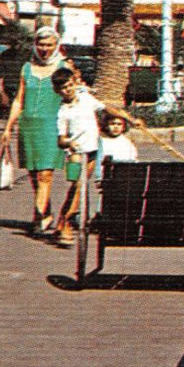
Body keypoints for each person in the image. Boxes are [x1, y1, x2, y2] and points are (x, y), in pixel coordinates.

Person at [52, 65, 138, 244]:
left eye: (69, 86)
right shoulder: (63, 112)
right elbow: (60, 141)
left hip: (92, 151)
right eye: (63, 89)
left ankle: (62, 221)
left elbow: (107, 108)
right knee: (77, 187)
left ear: (74, 83)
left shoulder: (86, 98)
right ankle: (66, 224)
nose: (67, 90)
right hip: (76, 153)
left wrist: (130, 119)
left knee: (78, 189)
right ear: (57, 91)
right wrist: (69, 142)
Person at [0, 27, 68, 236]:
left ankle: (39, 216)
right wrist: (8, 126)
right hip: (28, 126)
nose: (45, 49)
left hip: (51, 126)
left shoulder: (63, 67)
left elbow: (72, 95)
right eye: (41, 44)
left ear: (56, 45)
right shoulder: (27, 68)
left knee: (45, 174)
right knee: (33, 174)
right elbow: (19, 99)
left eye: (49, 45)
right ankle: (45, 212)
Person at [96, 111, 139, 180]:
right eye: (112, 124)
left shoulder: (127, 142)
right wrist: (99, 178)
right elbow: (98, 162)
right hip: (108, 177)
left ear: (123, 127)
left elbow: (134, 160)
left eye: (119, 124)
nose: (116, 127)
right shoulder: (101, 141)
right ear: (106, 126)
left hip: (126, 175)